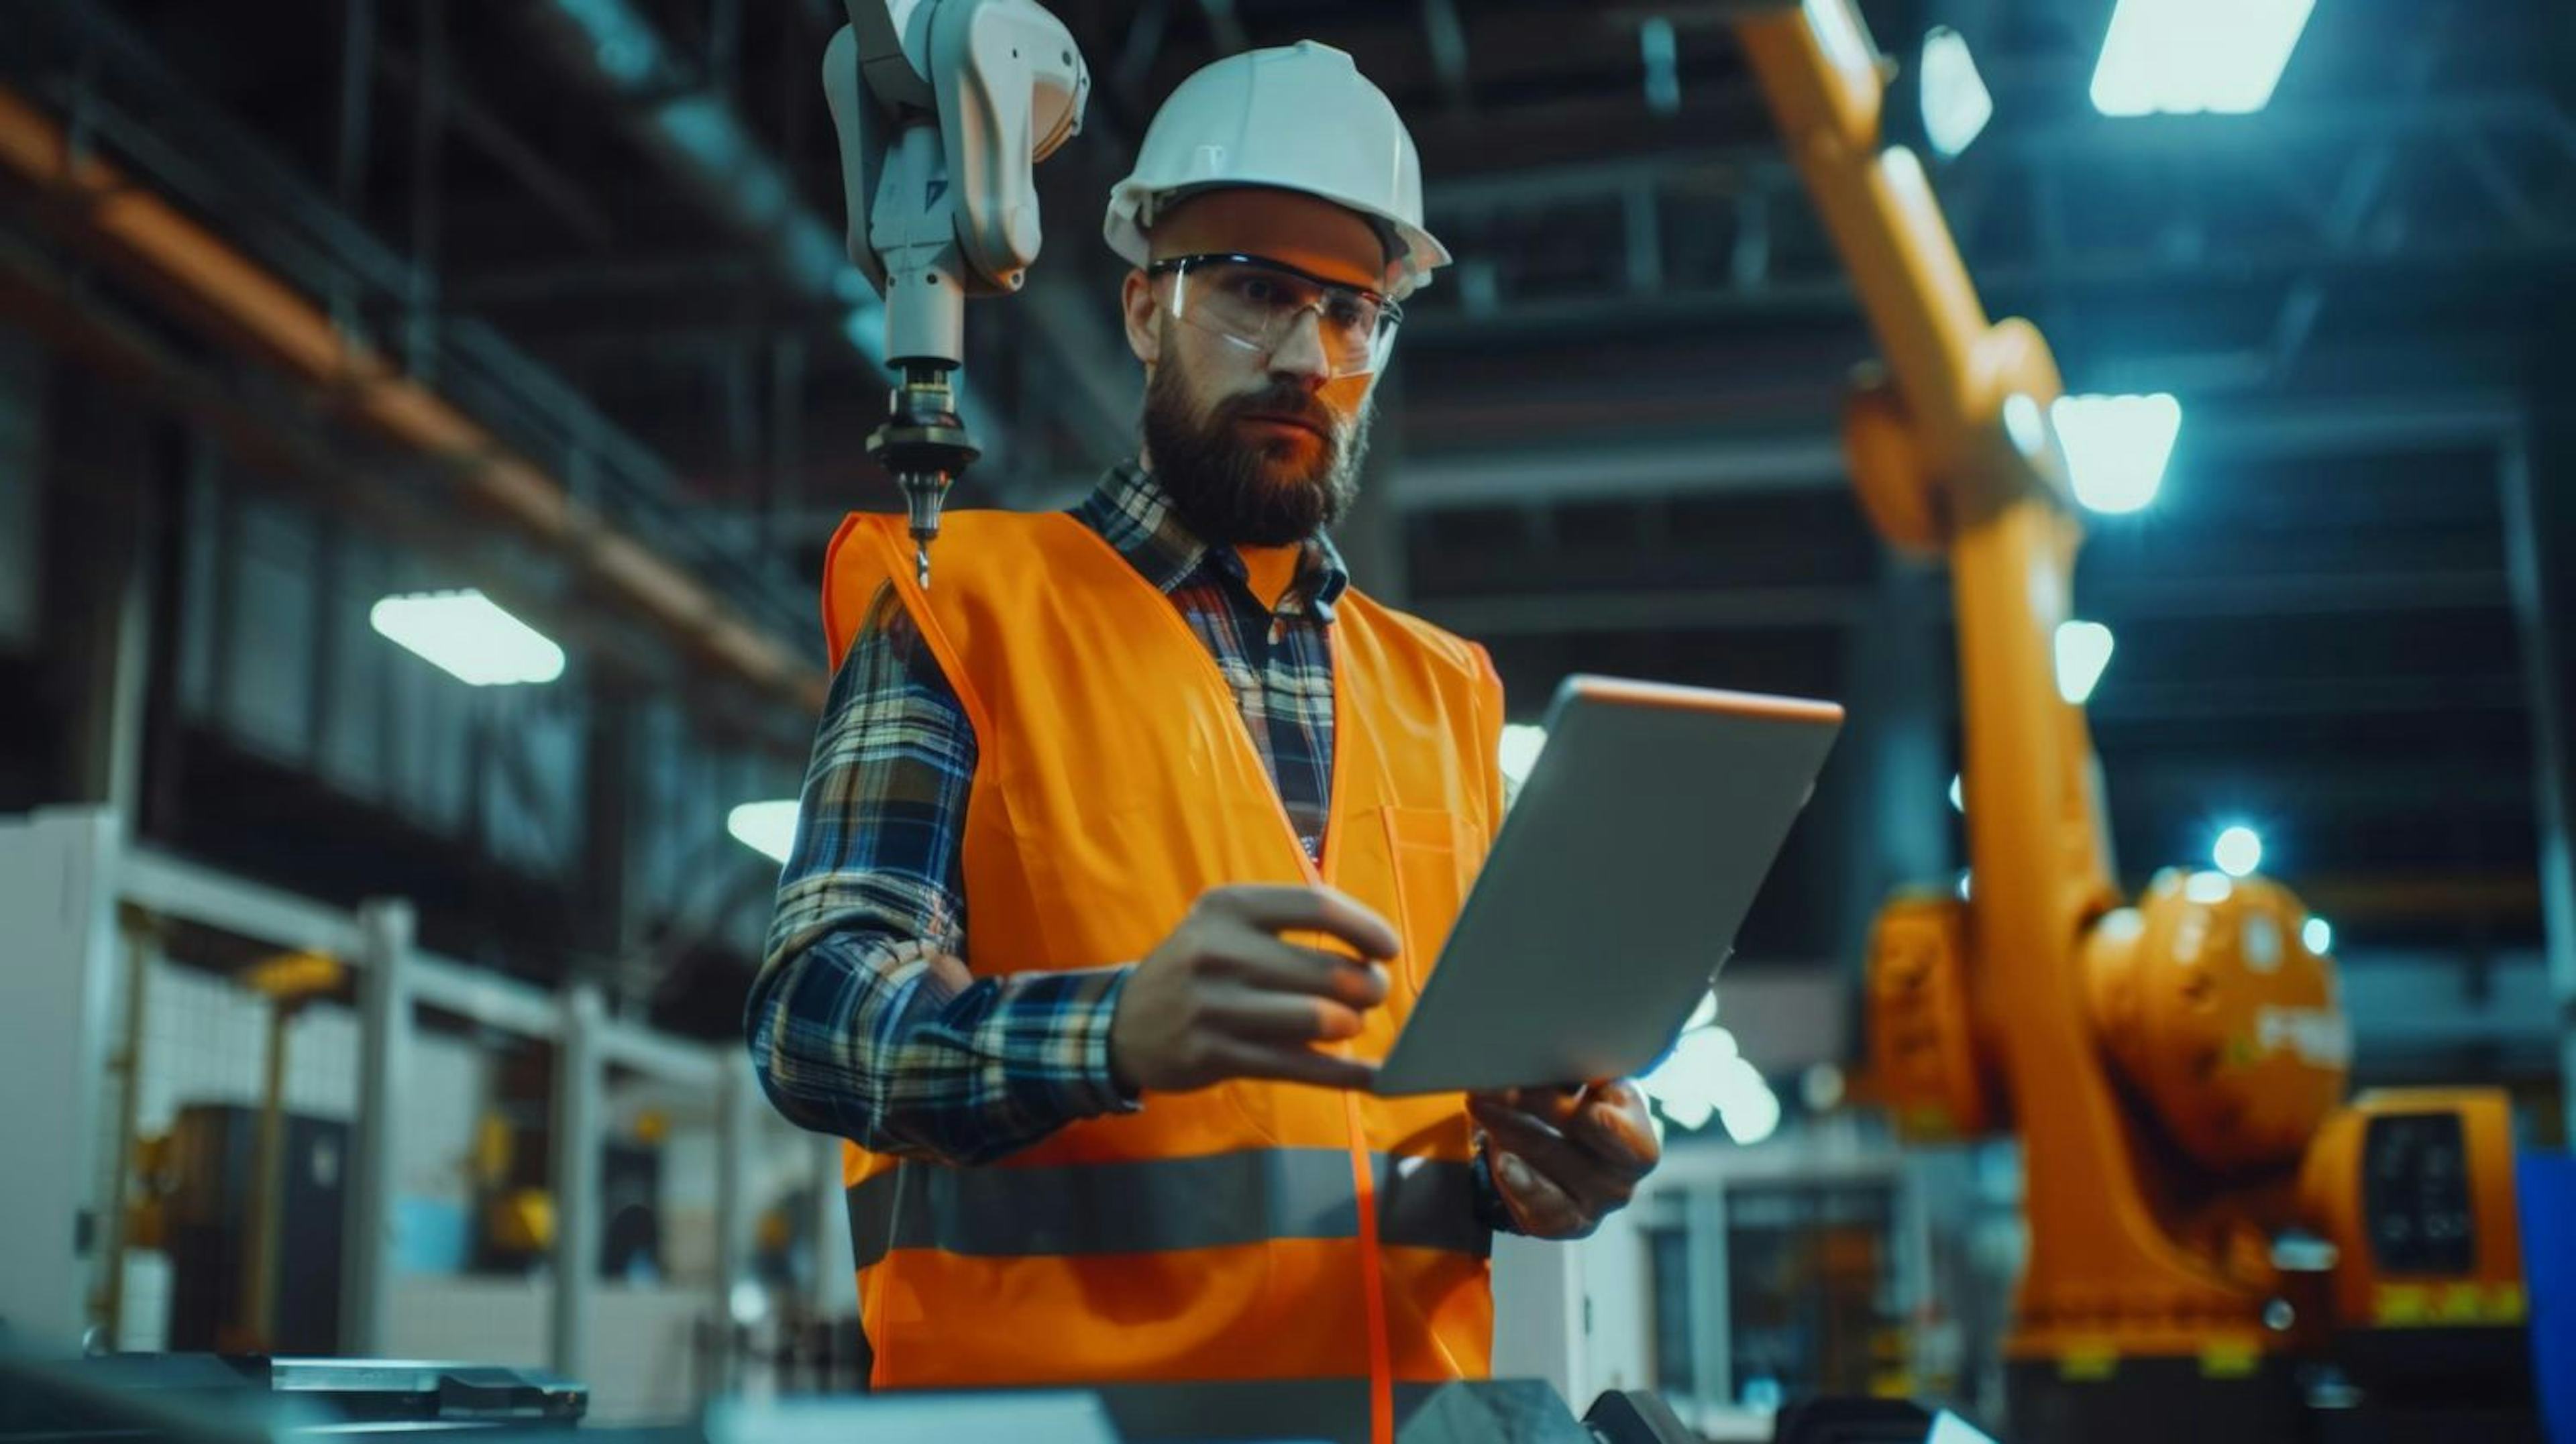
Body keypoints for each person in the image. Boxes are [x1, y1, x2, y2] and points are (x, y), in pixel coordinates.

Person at [747, 38, 1660, 1438]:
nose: (1307, 357)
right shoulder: (963, 611)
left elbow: (1390, 1147)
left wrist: (1531, 1168)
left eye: (1353, 315)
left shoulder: (1445, 692)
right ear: (1140, 309)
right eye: (1253, 293)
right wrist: (1111, 1030)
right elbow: (815, 1016)